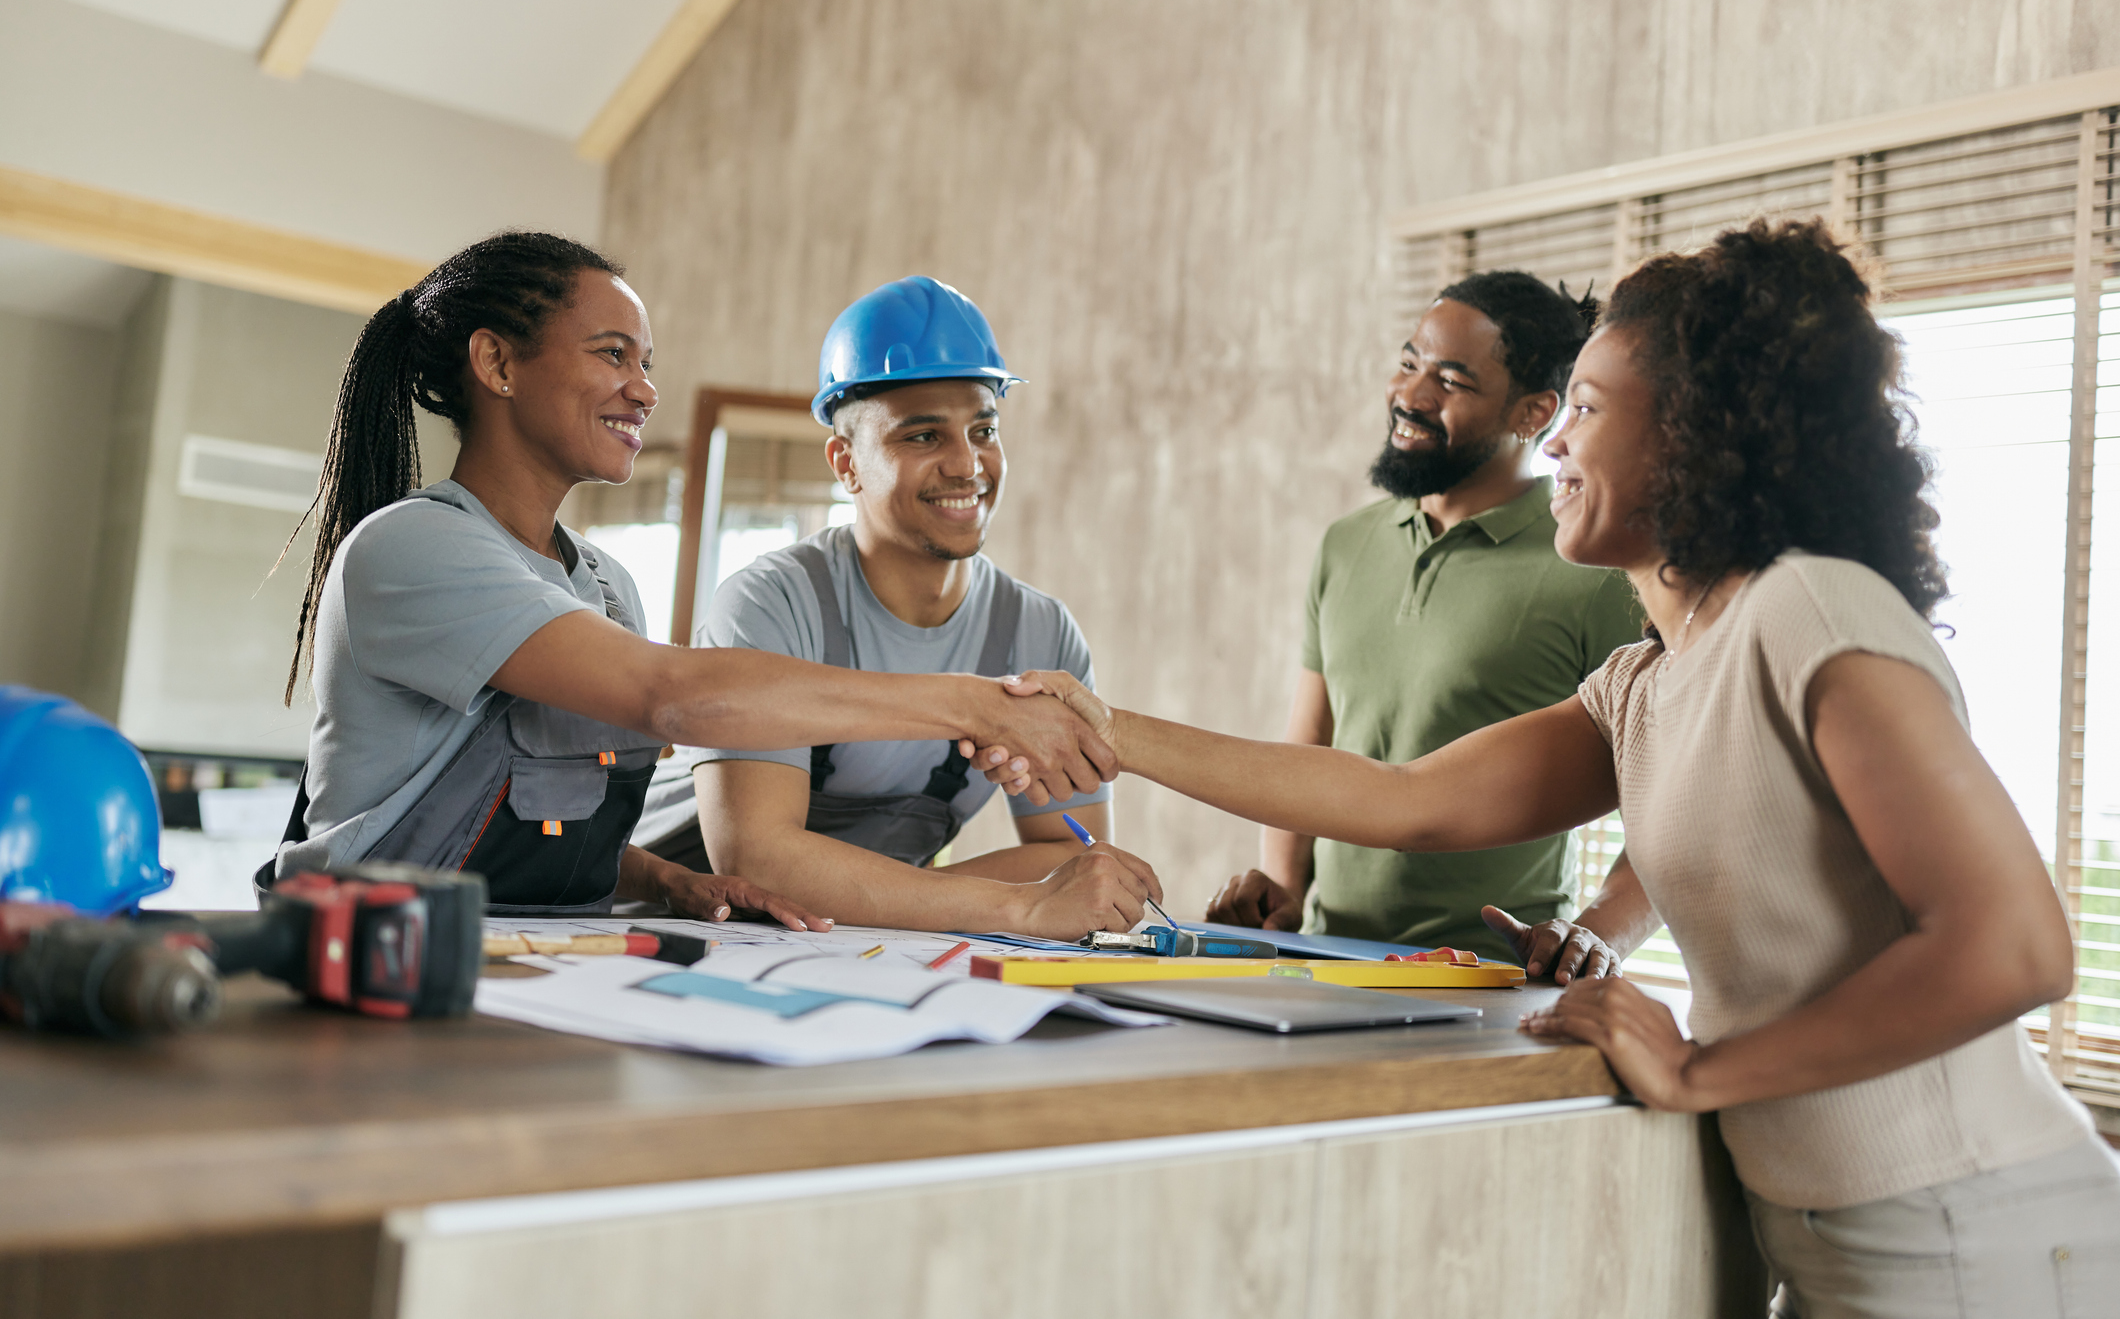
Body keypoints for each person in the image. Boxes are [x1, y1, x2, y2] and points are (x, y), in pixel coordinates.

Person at [995, 221, 2120, 1312]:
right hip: (1836, 1233)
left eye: (1583, 408)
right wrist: (1100, 726)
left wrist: (1698, 1070)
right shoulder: (1644, 681)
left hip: (1973, 1229)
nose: (1552, 447)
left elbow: (2013, 946)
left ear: (1690, 434)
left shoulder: (1807, 611)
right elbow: (1405, 799)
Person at [275, 235, 1116, 925]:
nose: (645, 390)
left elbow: (538, 818)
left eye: (646, 362)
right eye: (614, 355)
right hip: (371, 953)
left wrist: (668, 882)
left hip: (530, 960)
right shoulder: (412, 547)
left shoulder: (603, 584)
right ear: (497, 362)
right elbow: (672, 697)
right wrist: (969, 705)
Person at [643, 277, 1155, 939]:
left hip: (840, 945)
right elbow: (756, 857)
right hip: (647, 931)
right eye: (923, 437)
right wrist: (1009, 904)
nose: (967, 464)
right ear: (845, 462)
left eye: (984, 429)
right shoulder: (771, 605)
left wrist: (898, 900)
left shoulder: (1039, 634)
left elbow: (1067, 852)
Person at [1204, 272, 1644, 979]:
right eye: (1409, 363)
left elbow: (1672, 797)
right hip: (1325, 960)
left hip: (1492, 979)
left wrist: (1598, 933)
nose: (1410, 395)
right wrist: (1283, 887)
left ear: (1534, 412)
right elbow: (1311, 740)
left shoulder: (1590, 569)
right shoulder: (1345, 544)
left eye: (1451, 381)